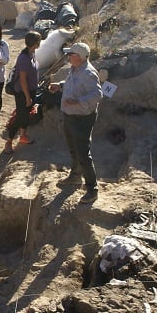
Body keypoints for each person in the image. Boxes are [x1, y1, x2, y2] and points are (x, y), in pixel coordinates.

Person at [48, 42, 101, 205]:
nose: (68, 57)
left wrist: (78, 102)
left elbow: (97, 94)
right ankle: (75, 177)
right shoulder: (76, 69)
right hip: (71, 116)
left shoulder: (88, 73)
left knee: (83, 154)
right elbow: (74, 84)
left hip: (81, 118)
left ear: (78, 57)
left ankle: (92, 189)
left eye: (70, 54)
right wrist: (61, 85)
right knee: (73, 148)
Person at [3, 31, 42, 154]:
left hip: (31, 91)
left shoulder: (32, 53)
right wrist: (27, 97)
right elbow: (23, 79)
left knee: (26, 115)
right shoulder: (24, 58)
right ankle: (8, 142)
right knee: (20, 118)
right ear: (35, 43)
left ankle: (23, 136)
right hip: (23, 93)